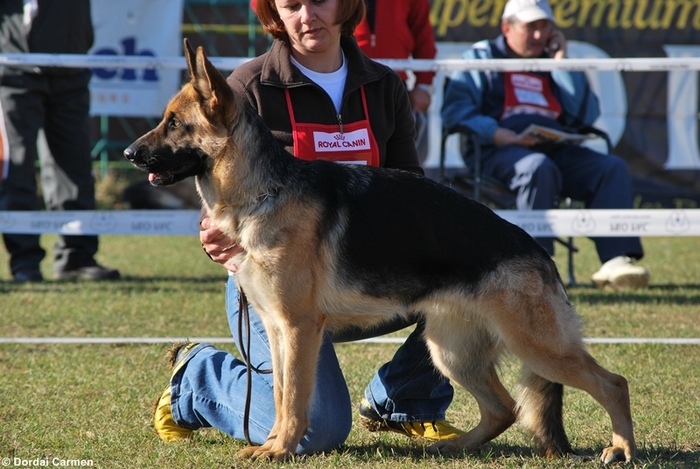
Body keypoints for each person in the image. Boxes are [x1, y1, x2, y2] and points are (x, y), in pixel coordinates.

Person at [153, 0, 463, 454]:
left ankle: (406, 399)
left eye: (319, 0)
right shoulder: (246, 86)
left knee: (461, 279)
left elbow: (410, 189)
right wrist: (210, 230)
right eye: (291, 4)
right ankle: (198, 382)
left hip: (358, 273)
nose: (306, 15)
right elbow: (218, 179)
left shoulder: (385, 85)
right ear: (274, 11)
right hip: (273, 280)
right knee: (317, 431)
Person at [440, 0, 649, 290]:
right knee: (537, 167)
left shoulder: (554, 62)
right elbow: (455, 112)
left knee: (610, 167)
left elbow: (586, 115)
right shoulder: (479, 57)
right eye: (531, 28)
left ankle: (615, 260)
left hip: (555, 148)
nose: (539, 36)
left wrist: (561, 63)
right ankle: (536, 268)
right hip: (498, 150)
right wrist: (497, 133)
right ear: (507, 28)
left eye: (545, 27)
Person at [0, 0, 120, 282]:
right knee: (16, 169)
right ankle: (25, 262)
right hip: (16, 69)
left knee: (75, 168)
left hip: (72, 67)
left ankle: (76, 257)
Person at [353, 0, 437, 162]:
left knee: (399, 160)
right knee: (354, 155)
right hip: (348, 85)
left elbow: (423, 34)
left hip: (395, 87)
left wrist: (423, 86)